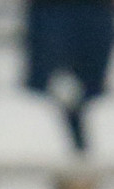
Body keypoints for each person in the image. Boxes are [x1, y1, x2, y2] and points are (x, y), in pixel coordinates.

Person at [25, 0, 114, 148]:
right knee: (45, 90)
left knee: (91, 92)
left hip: (96, 10)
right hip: (51, 9)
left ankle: (79, 154)